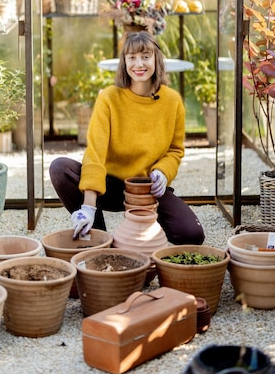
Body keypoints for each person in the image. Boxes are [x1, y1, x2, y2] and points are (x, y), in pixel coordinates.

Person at [49, 31, 205, 244]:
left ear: (156, 60)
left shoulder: (172, 101)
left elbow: (175, 150)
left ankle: (145, 230)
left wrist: (163, 171)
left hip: (147, 188)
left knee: (192, 235)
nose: (138, 64)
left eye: (145, 56)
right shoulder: (109, 98)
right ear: (124, 62)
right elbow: (95, 153)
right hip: (110, 186)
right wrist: (88, 206)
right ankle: (97, 236)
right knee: (60, 168)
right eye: (131, 57)